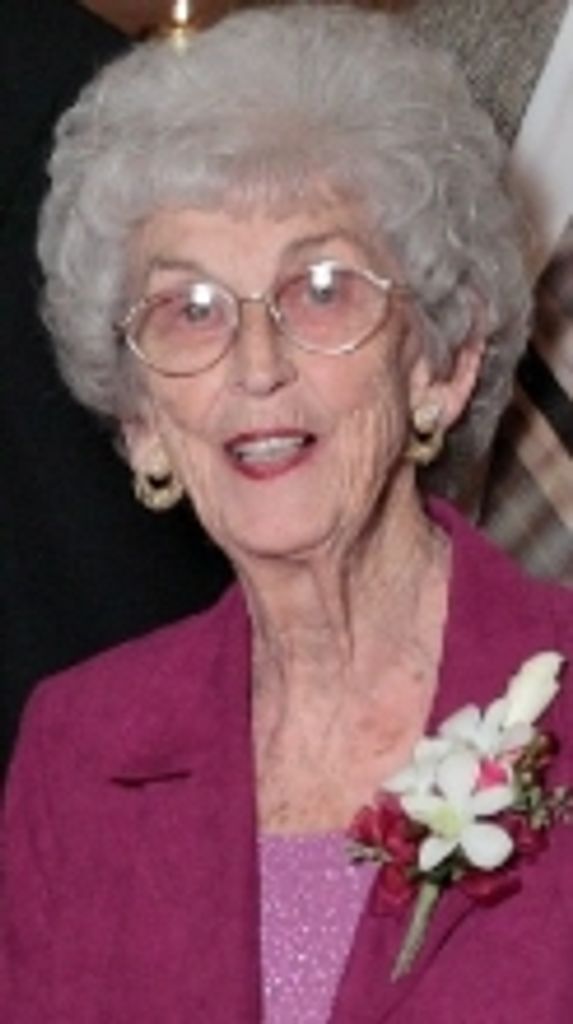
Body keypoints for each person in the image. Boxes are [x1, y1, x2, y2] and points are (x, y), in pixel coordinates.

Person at [2, 6, 573, 1021]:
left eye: (320, 288)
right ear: (142, 421)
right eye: (191, 309)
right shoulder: (79, 748)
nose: (256, 366)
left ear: (441, 362)